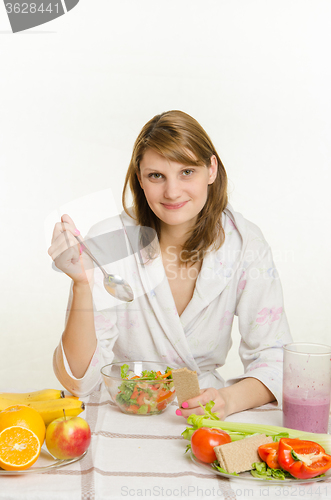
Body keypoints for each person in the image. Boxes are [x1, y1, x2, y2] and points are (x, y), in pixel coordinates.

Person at [48, 110, 292, 419]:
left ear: (212, 169)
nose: (172, 192)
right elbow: (80, 382)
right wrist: (82, 284)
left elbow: (276, 359)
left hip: (205, 415)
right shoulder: (109, 242)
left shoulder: (244, 244)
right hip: (124, 414)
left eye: (187, 172)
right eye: (156, 175)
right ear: (140, 177)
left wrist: (227, 400)